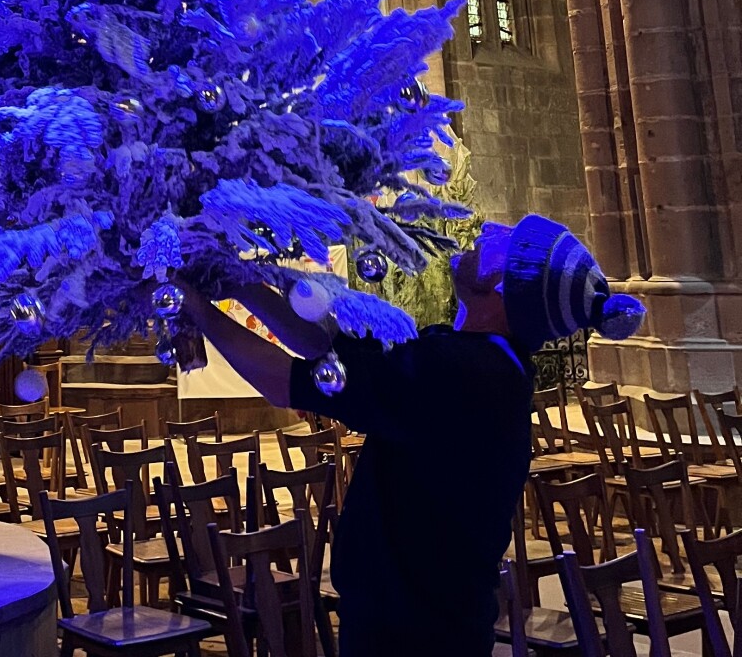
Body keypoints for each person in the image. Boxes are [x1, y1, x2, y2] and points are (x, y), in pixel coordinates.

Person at [183, 215, 645, 657]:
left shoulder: (463, 374)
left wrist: (197, 307)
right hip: (428, 621)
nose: (488, 230)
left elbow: (286, 381)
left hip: (410, 630)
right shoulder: (486, 362)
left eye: (504, 241)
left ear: (505, 289)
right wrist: (237, 282)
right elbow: (330, 344)